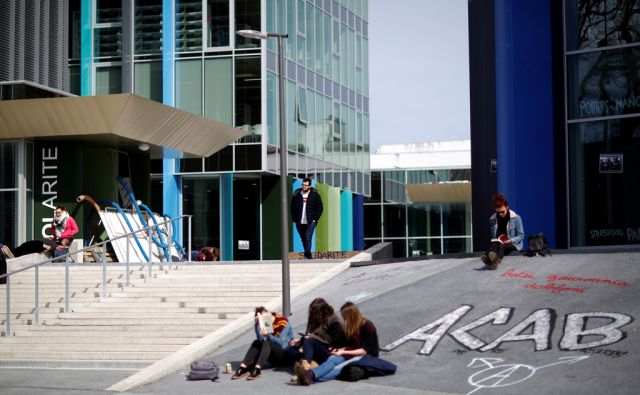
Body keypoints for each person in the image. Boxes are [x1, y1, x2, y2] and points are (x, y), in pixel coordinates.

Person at [295, 302, 379, 385]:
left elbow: (364, 351)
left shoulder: (367, 326)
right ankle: (309, 375)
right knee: (332, 359)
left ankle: (309, 377)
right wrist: (339, 350)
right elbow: (350, 345)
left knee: (338, 368)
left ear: (352, 316)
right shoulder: (351, 326)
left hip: (366, 356)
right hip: (351, 353)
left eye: (345, 317)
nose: (344, 319)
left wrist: (343, 352)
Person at [231, 306, 294, 380]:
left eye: (265, 317)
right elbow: (261, 341)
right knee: (257, 342)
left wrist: (268, 336)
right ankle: (243, 367)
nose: (265, 320)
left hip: (285, 354)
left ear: (269, 313)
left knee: (267, 343)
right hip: (273, 355)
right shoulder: (266, 323)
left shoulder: (283, 321)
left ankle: (257, 369)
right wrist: (257, 325)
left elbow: (281, 343)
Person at [292, 298, 346, 373]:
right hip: (314, 346)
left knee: (309, 341)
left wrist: (312, 338)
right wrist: (301, 339)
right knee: (290, 349)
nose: (311, 314)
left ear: (322, 311)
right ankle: (309, 363)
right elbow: (309, 333)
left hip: (328, 351)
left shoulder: (334, 321)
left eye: (314, 312)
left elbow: (334, 342)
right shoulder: (314, 318)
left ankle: (306, 368)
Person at [4, 206, 78, 258]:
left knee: (37, 244)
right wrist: (54, 236)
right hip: (55, 240)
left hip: (63, 240)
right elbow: (52, 230)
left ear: (63, 212)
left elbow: (76, 229)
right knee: (30, 243)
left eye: (59, 212)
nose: (57, 214)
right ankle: (12, 252)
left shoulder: (69, 219)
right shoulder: (54, 220)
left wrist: (64, 235)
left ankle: (13, 253)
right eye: (56, 213)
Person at [481, 193, 524, 269]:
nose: (500, 214)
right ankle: (492, 261)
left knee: (502, 245)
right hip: (498, 243)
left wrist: (509, 240)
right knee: (494, 244)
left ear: (507, 207)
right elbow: (494, 236)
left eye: (502, 211)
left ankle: (494, 260)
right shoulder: (492, 219)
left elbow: (521, 236)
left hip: (512, 243)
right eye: (498, 212)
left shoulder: (516, 218)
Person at [290, 178, 323, 259]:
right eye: (303, 185)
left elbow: (320, 207)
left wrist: (315, 218)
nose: (303, 186)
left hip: (311, 221)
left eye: (305, 185)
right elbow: (292, 207)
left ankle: (307, 255)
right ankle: (307, 254)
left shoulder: (315, 195)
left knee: (308, 237)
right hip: (299, 221)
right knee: (303, 239)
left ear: (309, 186)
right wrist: (294, 218)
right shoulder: (297, 194)